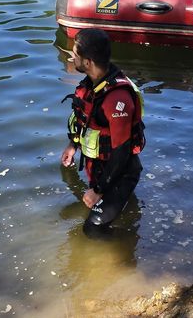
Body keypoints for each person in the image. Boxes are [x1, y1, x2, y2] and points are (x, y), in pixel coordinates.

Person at [61, 28, 145, 237]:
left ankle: (134, 242)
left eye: (75, 54)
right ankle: (123, 205)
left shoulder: (117, 100)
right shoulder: (93, 84)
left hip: (121, 171)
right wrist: (73, 145)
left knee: (92, 229)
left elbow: (121, 152)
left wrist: (98, 190)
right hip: (100, 167)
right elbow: (85, 118)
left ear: (88, 62)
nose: (72, 57)